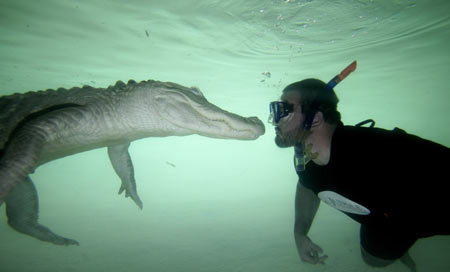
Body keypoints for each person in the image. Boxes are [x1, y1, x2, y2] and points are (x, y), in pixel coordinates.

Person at [269, 63, 450, 271]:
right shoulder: (306, 158)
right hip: (383, 225)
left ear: (316, 119)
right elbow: (307, 183)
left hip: (427, 212)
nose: (275, 120)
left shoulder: (383, 155)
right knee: (373, 259)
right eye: (275, 109)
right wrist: (299, 233)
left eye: (283, 110)